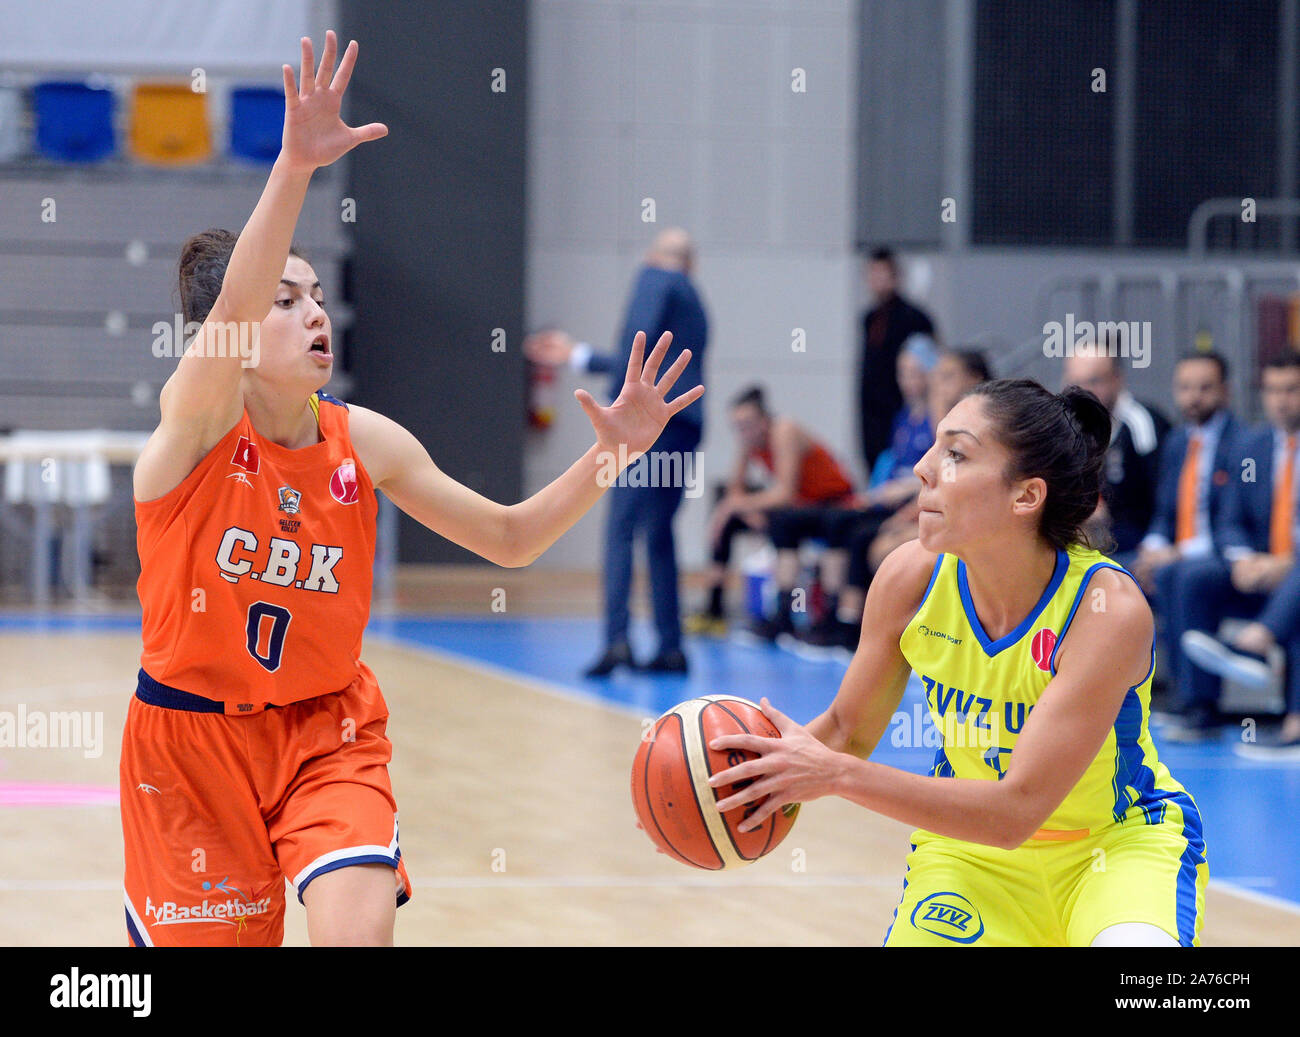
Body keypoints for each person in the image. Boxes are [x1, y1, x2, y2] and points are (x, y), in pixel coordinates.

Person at [123, 32, 703, 948]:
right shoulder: (190, 433)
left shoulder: (367, 441)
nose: (313, 313)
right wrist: (295, 163)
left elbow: (511, 540)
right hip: (190, 750)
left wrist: (612, 455)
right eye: (287, 299)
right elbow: (232, 314)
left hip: (328, 733)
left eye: (316, 296)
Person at [707, 379, 1207, 946]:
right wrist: (742, 783)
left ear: (1026, 497)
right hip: (970, 859)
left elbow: (1015, 810)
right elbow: (846, 732)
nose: (922, 469)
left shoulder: (1106, 609)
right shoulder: (909, 579)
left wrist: (835, 776)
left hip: (1113, 849)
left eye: (955, 453)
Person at [524, 229, 707, 676]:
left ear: (651, 256)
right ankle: (670, 644)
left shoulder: (653, 278)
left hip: (649, 429)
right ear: (692, 262)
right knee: (659, 535)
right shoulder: (697, 302)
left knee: (621, 530)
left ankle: (618, 641)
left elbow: (636, 354)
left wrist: (577, 355)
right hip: (684, 426)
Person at [797, 347, 991, 654]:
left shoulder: (971, 427)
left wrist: (907, 514)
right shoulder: (909, 418)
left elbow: (952, 482)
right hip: (921, 508)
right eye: (936, 376)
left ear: (975, 379)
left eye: (946, 376)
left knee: (872, 542)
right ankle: (840, 621)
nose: (935, 383)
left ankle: (863, 626)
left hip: (955, 516)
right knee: (846, 526)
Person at [1170, 352, 1300, 747]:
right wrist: (1243, 558)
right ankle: (1199, 708)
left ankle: (1257, 643)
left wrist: (1287, 565)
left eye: (1292, 390)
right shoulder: (1252, 447)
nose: (1281, 400)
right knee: (1194, 576)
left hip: (1292, 574)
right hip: (1261, 573)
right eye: (1273, 390)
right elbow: (1229, 521)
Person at [1129, 352, 1249, 739]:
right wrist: (1152, 547)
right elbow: (1165, 511)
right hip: (1179, 556)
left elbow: (1231, 521)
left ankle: (1200, 706)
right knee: (1117, 571)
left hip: (1224, 556)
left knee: (1185, 576)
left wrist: (1176, 553)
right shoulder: (1178, 441)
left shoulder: (1244, 443)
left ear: (1226, 391)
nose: (1194, 397)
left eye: (1205, 387)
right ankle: (1149, 698)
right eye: (1185, 388)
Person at [684, 385, 857, 637]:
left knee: (776, 520)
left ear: (764, 420)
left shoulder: (783, 431)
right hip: (800, 507)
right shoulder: (749, 441)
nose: (743, 432)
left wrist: (738, 505)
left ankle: (786, 613)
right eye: (738, 426)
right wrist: (735, 510)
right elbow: (735, 492)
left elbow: (785, 492)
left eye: (748, 424)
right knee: (730, 519)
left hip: (833, 503)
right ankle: (713, 609)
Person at [1061, 346, 1170, 563]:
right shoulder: (1065, 424)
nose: (1084, 392)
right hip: (1086, 533)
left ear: (1117, 379)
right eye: (1076, 383)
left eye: (1093, 381)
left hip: (1137, 537)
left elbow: (1163, 498)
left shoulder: (1142, 423)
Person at [857, 248, 937, 473]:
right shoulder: (869, 318)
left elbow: (930, 359)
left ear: (895, 277)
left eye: (883, 274)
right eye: (873, 275)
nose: (877, 281)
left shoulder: (913, 317)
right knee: (879, 464)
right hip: (872, 409)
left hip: (900, 403)